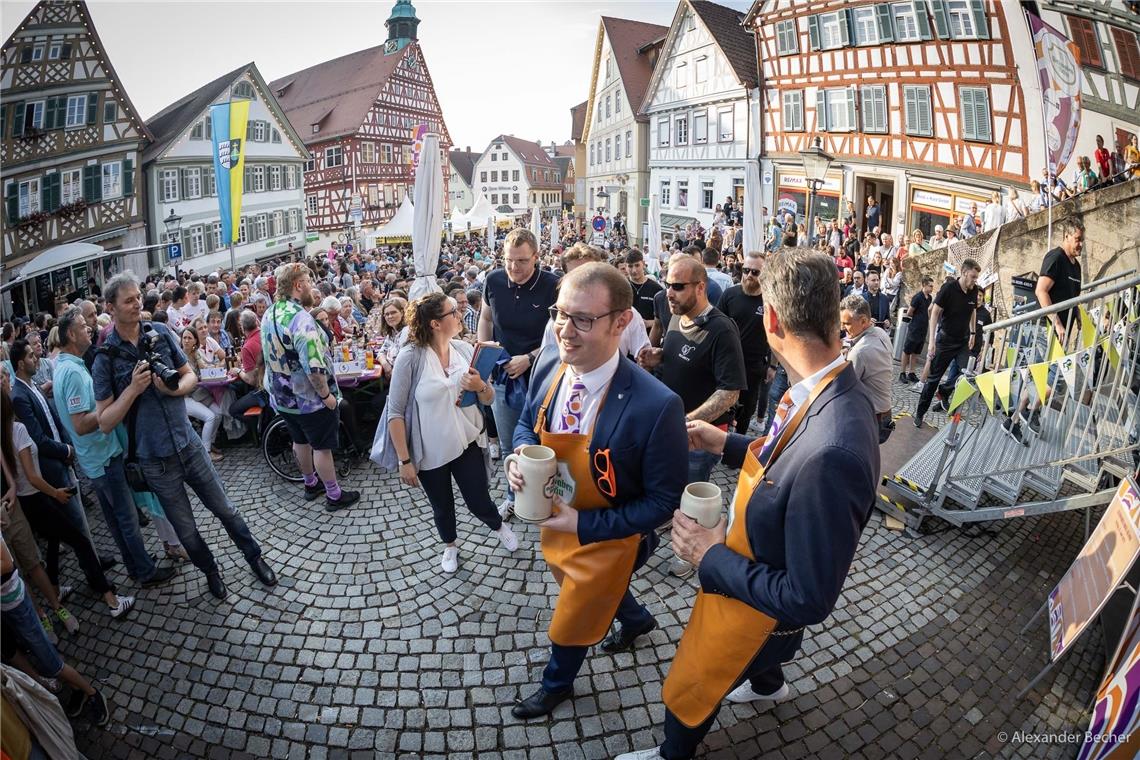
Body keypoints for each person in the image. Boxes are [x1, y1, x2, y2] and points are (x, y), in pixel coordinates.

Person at [618, 248, 879, 760]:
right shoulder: (828, 391)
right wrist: (726, 444)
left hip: (754, 600)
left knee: (696, 674)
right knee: (764, 655)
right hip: (760, 567)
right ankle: (767, 685)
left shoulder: (834, 448)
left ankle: (673, 752)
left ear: (773, 318)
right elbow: (788, 460)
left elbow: (807, 597)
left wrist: (708, 555)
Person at [506, 262, 687, 720]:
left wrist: (584, 523)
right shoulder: (550, 362)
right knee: (590, 590)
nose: (565, 331)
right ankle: (637, 619)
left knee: (574, 611)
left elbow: (665, 502)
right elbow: (528, 422)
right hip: (561, 523)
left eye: (582, 319)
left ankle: (556, 684)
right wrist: (520, 454)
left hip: (612, 537)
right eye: (560, 314)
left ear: (622, 322)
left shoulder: (657, 405)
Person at [92, 272, 276, 600]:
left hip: (188, 443)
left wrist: (174, 388)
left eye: (138, 297)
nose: (137, 304)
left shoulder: (161, 332)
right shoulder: (105, 359)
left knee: (226, 510)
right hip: (155, 460)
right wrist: (133, 389)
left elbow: (191, 375)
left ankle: (254, 557)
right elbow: (104, 421)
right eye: (128, 300)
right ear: (111, 306)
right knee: (187, 531)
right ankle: (211, 571)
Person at [383, 294, 517, 573]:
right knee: (441, 505)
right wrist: (404, 460)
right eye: (453, 311)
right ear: (435, 323)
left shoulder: (465, 350)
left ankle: (497, 524)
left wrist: (480, 385)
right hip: (430, 450)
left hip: (466, 441)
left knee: (478, 498)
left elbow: (489, 399)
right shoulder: (410, 357)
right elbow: (395, 413)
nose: (460, 313)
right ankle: (450, 546)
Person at [51, 307, 177, 589]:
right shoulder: (70, 372)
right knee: (128, 519)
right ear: (71, 334)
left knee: (118, 521)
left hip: (95, 457)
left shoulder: (67, 365)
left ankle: (135, 565)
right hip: (102, 457)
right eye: (84, 326)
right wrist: (114, 403)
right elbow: (81, 423)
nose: (90, 329)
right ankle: (144, 571)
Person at [638, 255, 746, 578]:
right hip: (668, 430)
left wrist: (688, 420)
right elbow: (678, 360)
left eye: (678, 286)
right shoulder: (676, 316)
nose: (669, 292)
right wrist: (657, 358)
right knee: (666, 484)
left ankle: (688, 554)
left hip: (701, 437)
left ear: (700, 288)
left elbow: (730, 392)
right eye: (668, 284)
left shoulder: (722, 330)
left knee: (691, 494)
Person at [261, 264, 360, 511]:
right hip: (308, 398)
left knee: (299, 441)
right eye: (308, 281)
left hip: (282, 397)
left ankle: (310, 484)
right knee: (321, 447)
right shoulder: (300, 318)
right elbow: (313, 366)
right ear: (298, 285)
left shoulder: (270, 312)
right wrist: (326, 395)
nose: (312, 286)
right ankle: (334, 495)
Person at [477, 228, 560, 521]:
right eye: (509, 260)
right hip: (504, 377)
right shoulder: (493, 280)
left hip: (543, 375)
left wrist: (528, 358)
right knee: (511, 442)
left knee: (547, 439)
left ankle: (551, 494)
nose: (514, 267)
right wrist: (486, 359)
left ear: (536, 257)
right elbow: (486, 319)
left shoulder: (553, 284)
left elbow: (560, 337)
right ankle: (514, 497)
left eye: (522, 261)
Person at [1003, 219, 1084, 444]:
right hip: (1046, 329)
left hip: (1061, 332)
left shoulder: (1076, 266)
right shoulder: (1055, 257)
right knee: (1053, 379)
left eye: (1082, 240)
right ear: (1066, 237)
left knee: (1047, 379)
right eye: (1077, 240)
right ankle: (1028, 411)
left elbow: (1074, 296)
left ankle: (1016, 419)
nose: (1080, 245)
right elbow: (1041, 291)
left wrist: (1077, 314)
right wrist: (1057, 323)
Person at [913, 260, 982, 427]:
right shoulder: (949, 289)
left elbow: (973, 311)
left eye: (976, 277)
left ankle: (944, 391)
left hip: (962, 341)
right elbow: (934, 312)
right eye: (973, 276)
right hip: (945, 341)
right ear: (964, 273)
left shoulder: (974, 290)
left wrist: (973, 332)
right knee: (932, 380)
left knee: (968, 373)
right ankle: (920, 413)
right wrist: (931, 342)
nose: (975, 280)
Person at [717, 252, 771, 435]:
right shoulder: (730, 294)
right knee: (721, 405)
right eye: (746, 270)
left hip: (753, 366)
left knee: (746, 409)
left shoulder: (770, 301)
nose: (749, 275)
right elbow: (716, 327)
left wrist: (772, 365)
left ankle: (737, 449)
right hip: (726, 363)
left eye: (755, 272)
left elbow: (777, 336)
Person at [841, 295, 894, 441]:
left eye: (847, 323)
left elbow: (842, 390)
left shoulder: (860, 352)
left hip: (871, 418)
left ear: (864, 321)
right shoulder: (880, 332)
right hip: (884, 414)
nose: (842, 328)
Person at [179, 328, 224, 462]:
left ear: (195, 341)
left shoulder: (196, 354)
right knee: (210, 417)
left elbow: (205, 371)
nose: (186, 341)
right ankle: (206, 452)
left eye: (189, 338)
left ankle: (209, 442)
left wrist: (197, 355)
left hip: (198, 394)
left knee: (218, 413)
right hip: (184, 397)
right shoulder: (179, 357)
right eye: (184, 338)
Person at [900, 277, 934, 384]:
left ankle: (911, 372)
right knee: (907, 350)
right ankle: (902, 372)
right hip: (914, 328)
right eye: (930, 286)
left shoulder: (929, 298)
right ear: (924, 285)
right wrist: (918, 317)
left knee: (916, 352)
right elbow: (910, 312)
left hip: (923, 329)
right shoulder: (917, 297)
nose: (932, 288)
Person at [626, 249, 663, 335]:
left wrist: (648, 323)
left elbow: (665, 319)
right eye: (630, 266)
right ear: (626, 266)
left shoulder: (656, 289)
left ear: (643, 264)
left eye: (637, 265)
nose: (634, 270)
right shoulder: (621, 287)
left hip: (648, 338)